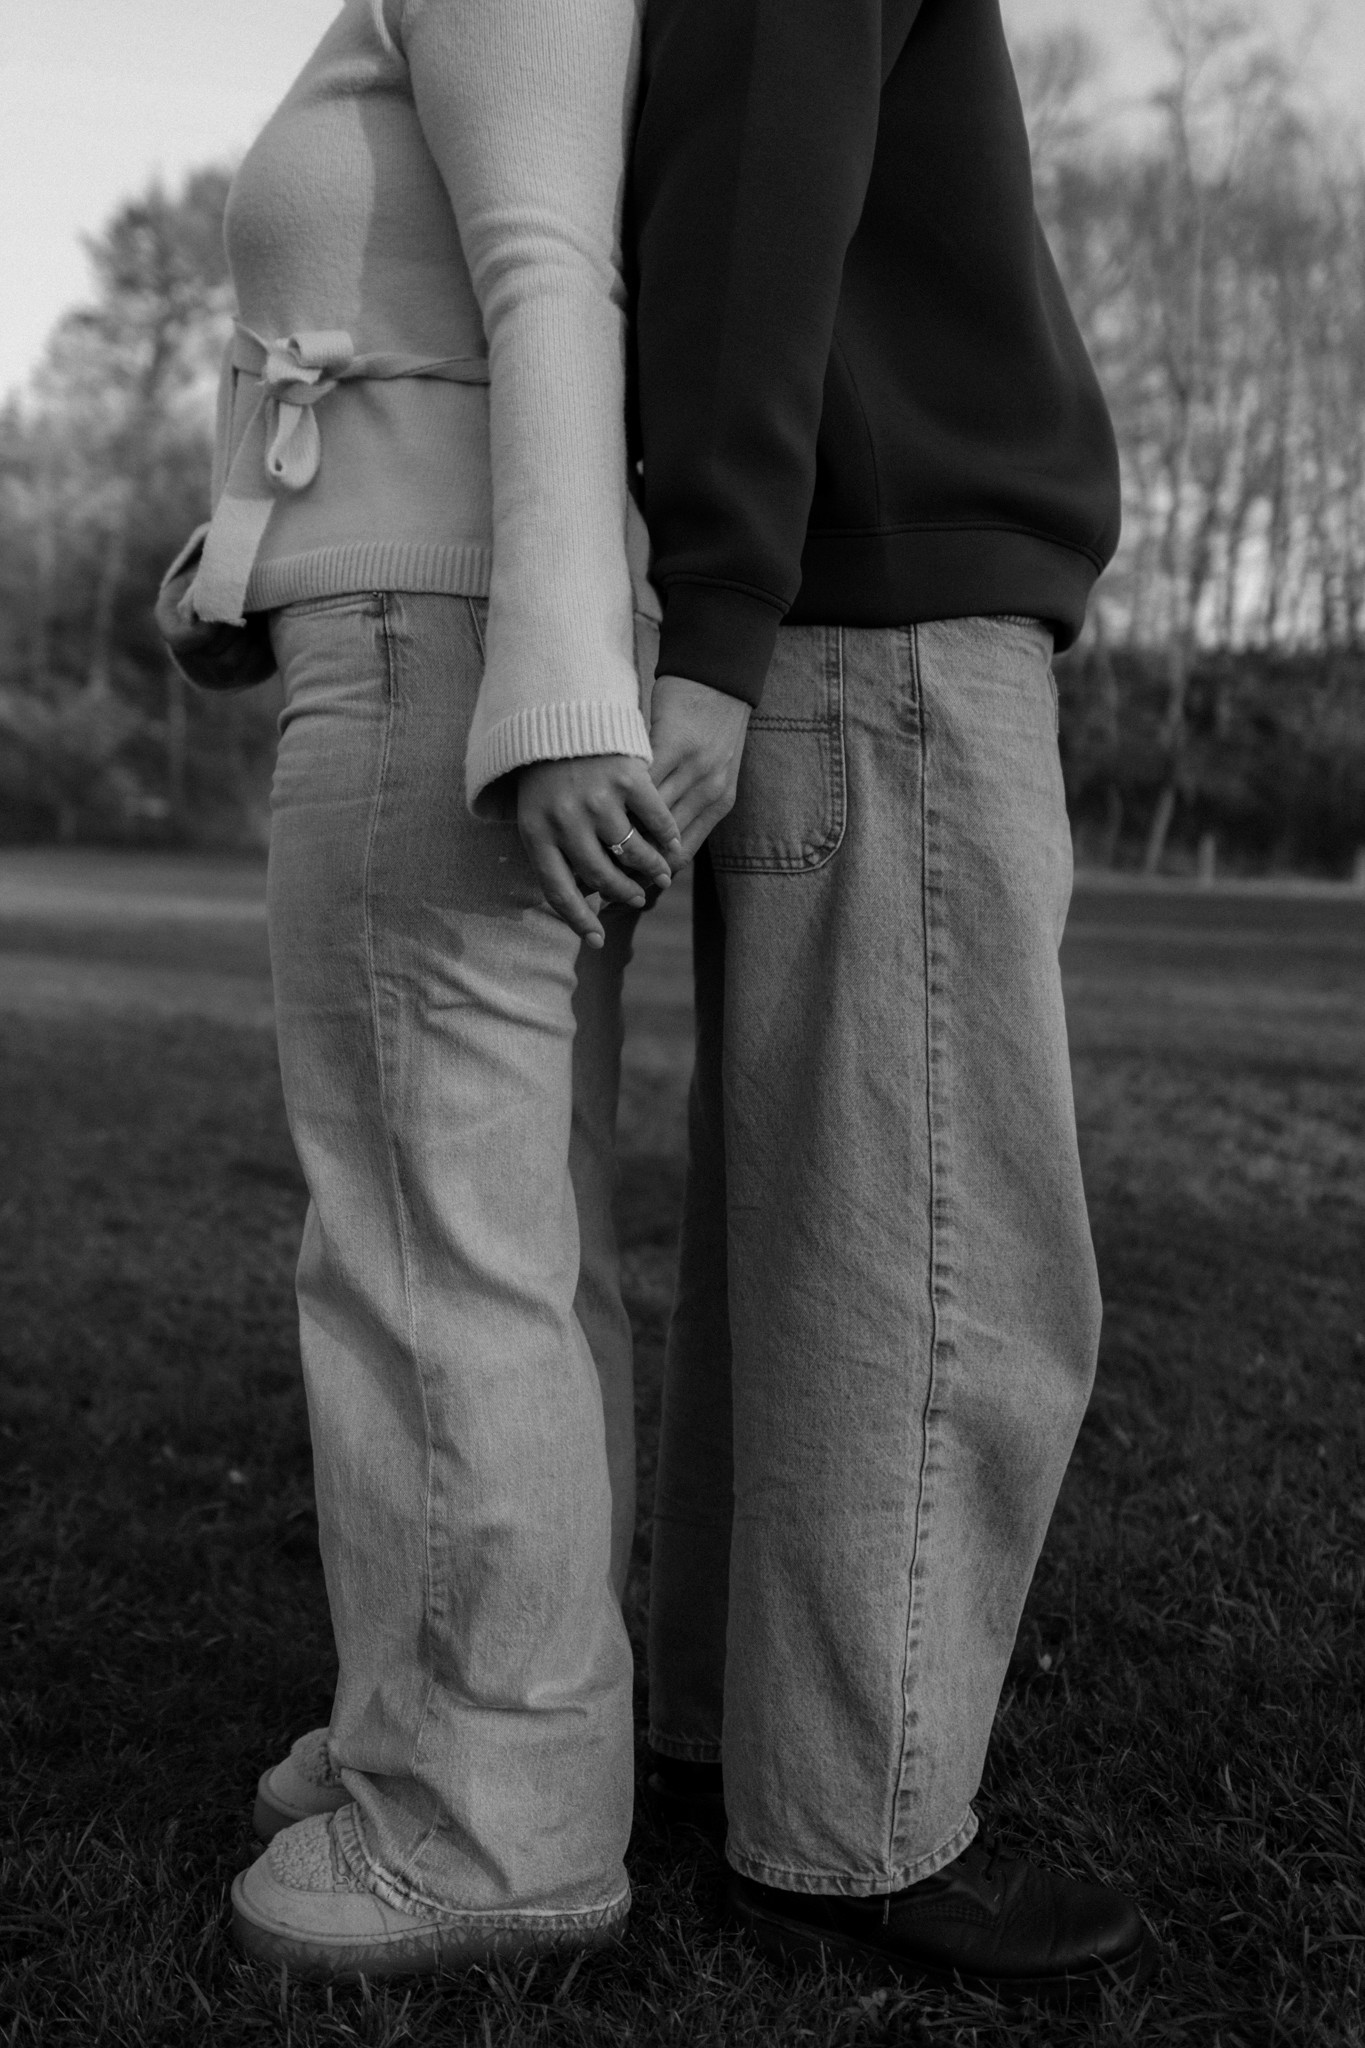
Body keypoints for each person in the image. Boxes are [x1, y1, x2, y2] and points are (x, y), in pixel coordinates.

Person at [156, 0, 731, 1983]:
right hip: (421, 628)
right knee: (485, 1242)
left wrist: (557, 697)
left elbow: (552, 280)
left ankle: (496, 1826)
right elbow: (386, 342)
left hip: (450, 654)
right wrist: (243, 558)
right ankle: (447, 1733)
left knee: (427, 1246)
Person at [629, 0, 1159, 2001]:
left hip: (840, 622)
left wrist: (719, 608)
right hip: (888, 635)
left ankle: (728, 1739)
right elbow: (758, 202)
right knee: (951, 1263)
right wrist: (717, 610)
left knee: (815, 1236)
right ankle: (852, 1824)